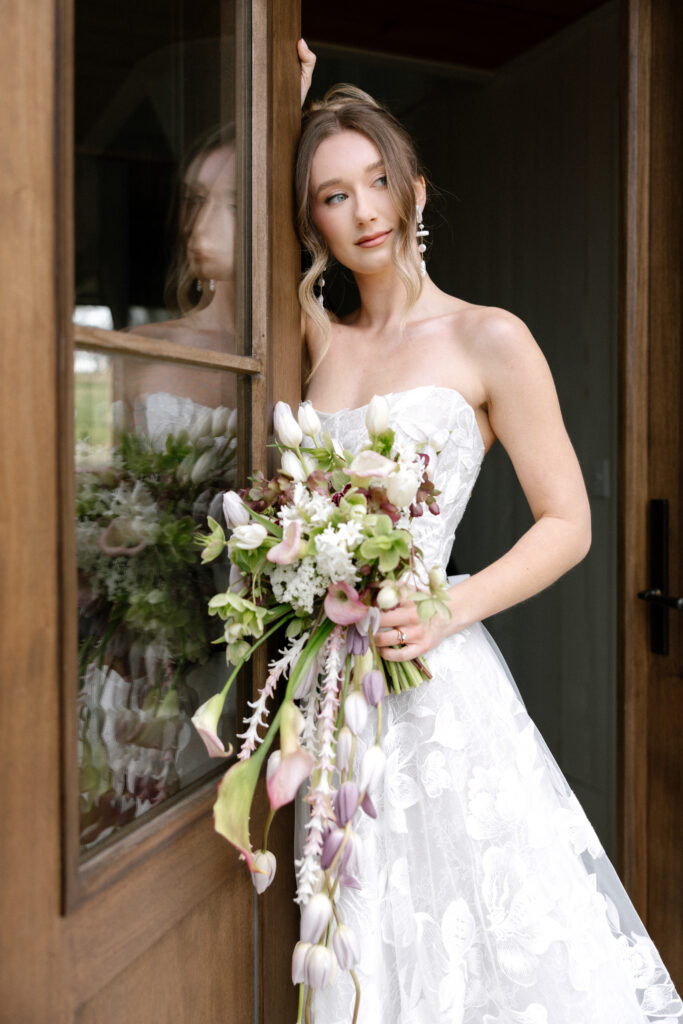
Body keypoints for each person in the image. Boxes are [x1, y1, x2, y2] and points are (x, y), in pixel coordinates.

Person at [293, 41, 682, 1024]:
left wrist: (444, 604)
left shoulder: (487, 338)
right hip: (325, 693)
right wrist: (279, 100)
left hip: (434, 686)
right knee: (355, 952)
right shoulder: (316, 340)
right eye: (333, 196)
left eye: (377, 180)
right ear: (312, 220)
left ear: (415, 186)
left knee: (474, 951)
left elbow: (569, 523)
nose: (364, 210)